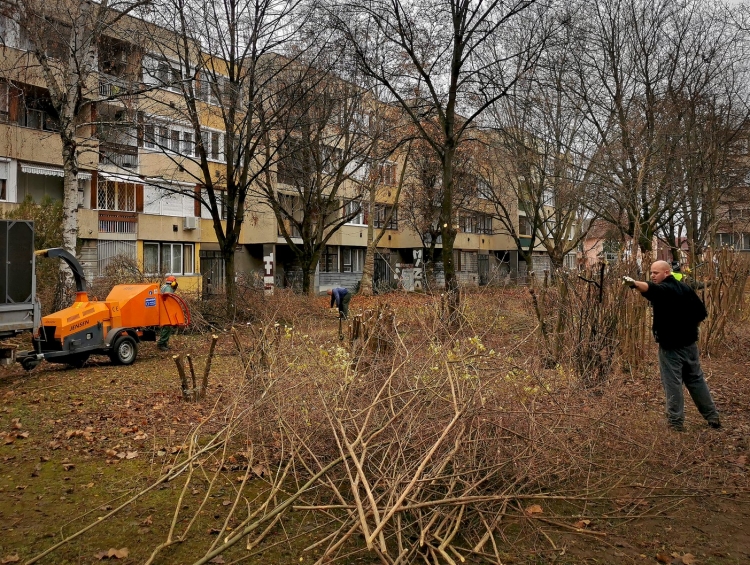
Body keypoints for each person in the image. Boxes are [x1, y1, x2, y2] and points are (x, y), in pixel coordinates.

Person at [623, 261, 720, 431]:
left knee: (672, 382)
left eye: (656, 272)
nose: (652, 275)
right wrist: (688, 329)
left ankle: (675, 423)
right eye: (651, 273)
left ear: (666, 273)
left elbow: (652, 289)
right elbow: (701, 313)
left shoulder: (666, 289)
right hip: (690, 344)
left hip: (671, 347)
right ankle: (712, 416)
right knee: (696, 380)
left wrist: (634, 283)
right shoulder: (685, 288)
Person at [157, 275, 178, 351]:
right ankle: (161, 344)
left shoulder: (164, 286)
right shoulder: (168, 288)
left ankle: (164, 343)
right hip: (165, 310)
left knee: (165, 327)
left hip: (163, 309)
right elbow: (169, 299)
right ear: (173, 282)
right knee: (167, 327)